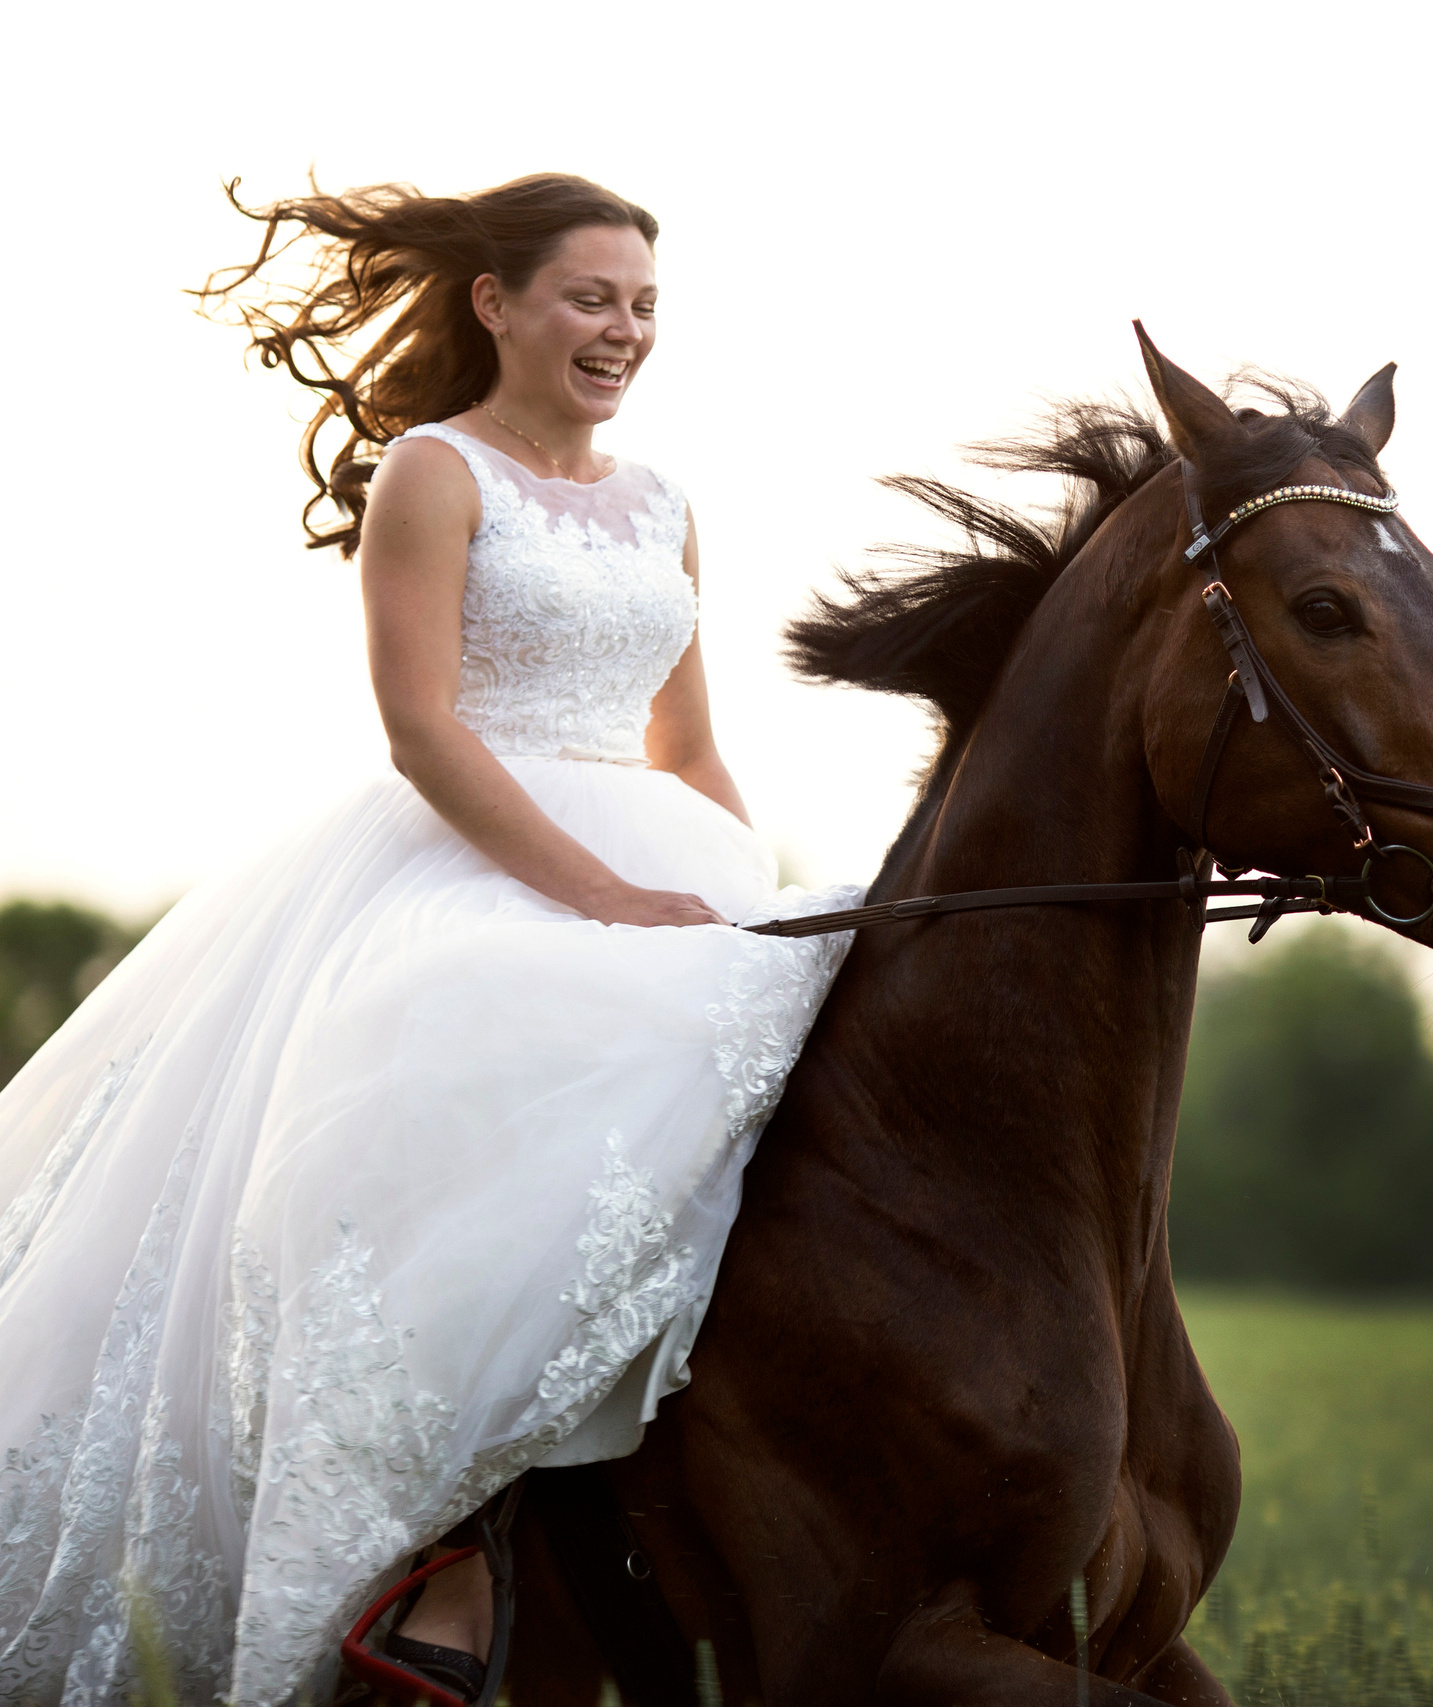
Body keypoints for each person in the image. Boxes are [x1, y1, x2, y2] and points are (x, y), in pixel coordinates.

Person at [0, 173, 855, 1706]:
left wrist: (746, 894)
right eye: (593, 298)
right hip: (470, 860)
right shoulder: (433, 472)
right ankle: (438, 1554)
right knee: (467, 1085)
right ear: (499, 304)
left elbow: (691, 744)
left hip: (663, 857)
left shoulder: (666, 504)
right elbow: (422, 729)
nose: (623, 331)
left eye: (645, 305)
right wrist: (598, 900)